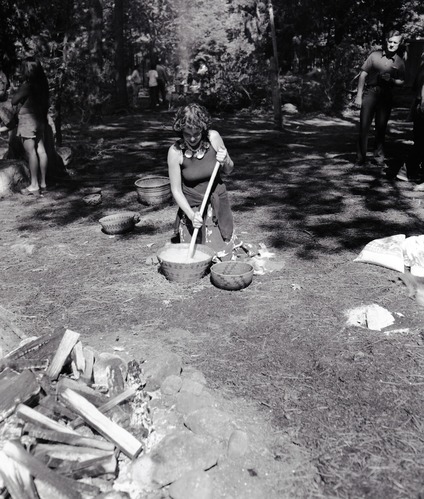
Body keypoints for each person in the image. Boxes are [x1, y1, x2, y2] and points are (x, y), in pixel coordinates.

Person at [167, 103, 238, 261]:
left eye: (197, 133)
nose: (192, 138)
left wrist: (225, 159)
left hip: (216, 204)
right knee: (196, 256)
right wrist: (192, 216)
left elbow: (229, 169)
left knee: (220, 255)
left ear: (203, 129)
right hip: (192, 208)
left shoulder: (213, 137)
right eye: (187, 134)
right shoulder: (175, 152)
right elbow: (176, 190)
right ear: (180, 131)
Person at [354, 30, 405, 167]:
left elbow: (402, 81)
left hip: (386, 95)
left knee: (381, 128)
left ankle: (378, 158)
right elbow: (363, 75)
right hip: (370, 92)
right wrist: (358, 96)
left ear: (399, 44)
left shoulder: (400, 62)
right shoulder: (374, 56)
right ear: (386, 41)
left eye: (395, 42)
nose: (392, 44)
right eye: (390, 41)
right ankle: (360, 159)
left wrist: (392, 80)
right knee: (364, 126)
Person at [12, 57, 49, 196]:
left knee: (31, 153)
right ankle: (43, 183)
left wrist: (17, 92)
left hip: (28, 120)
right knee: (41, 151)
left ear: (27, 70)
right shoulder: (43, 85)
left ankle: (34, 185)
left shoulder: (28, 85)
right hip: (40, 119)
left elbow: (14, 101)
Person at [397, 50, 424, 183]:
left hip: (419, 110)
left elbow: (416, 95)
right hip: (422, 109)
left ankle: (407, 170)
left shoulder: (421, 69)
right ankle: (407, 170)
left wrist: (411, 114)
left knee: (419, 143)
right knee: (420, 143)